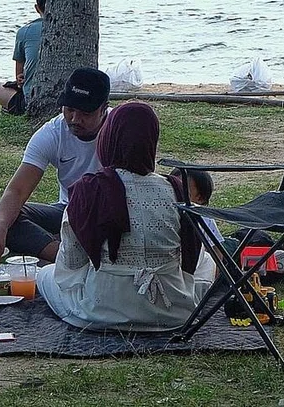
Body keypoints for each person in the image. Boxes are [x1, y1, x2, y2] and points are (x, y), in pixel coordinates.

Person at [35, 102, 210, 331]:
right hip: (173, 312)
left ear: (109, 137)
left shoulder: (89, 190)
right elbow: (191, 258)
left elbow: (70, 268)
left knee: (45, 274)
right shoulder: (176, 190)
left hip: (101, 313)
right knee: (207, 260)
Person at [0, 67, 111, 268]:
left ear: (104, 109)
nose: (75, 119)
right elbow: (17, 190)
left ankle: (70, 255)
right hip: (69, 212)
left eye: (85, 113)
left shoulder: (119, 131)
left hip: (111, 215)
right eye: (70, 109)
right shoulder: (52, 133)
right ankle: (65, 256)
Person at [0, 0, 46, 115]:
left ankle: (10, 108)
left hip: (30, 101)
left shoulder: (25, 31)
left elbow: (19, 75)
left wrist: (21, 79)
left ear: (37, 8)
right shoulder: (71, 31)